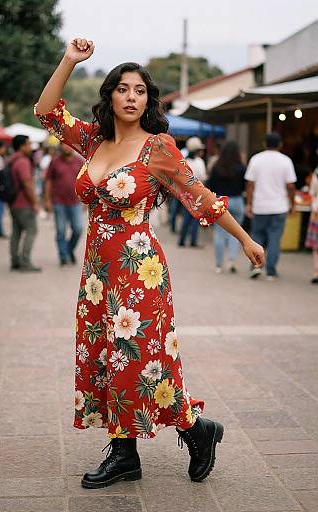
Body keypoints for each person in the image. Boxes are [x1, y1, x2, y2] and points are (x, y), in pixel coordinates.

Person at [35, 37, 264, 490]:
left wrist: (244, 238)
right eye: (123, 89)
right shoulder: (93, 141)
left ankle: (195, 431)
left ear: (148, 99)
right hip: (98, 274)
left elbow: (199, 197)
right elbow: (45, 112)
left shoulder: (158, 147)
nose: (131, 97)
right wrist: (68, 60)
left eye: (140, 90)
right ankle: (125, 454)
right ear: (110, 95)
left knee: (141, 359)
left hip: (140, 271)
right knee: (105, 356)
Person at [245, 133, 297, 280]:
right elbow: (291, 186)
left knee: (257, 237)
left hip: (260, 205)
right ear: (280, 144)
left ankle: (256, 266)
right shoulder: (286, 161)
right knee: (275, 238)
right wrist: (292, 204)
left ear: (264, 144)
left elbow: (249, 184)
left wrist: (249, 203)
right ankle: (271, 271)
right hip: (279, 206)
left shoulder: (256, 159)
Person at [208, 141, 246, 273]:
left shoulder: (217, 166)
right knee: (236, 233)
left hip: (220, 201)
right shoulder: (241, 168)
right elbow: (244, 186)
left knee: (219, 233)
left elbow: (209, 185)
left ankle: (219, 264)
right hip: (237, 200)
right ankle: (232, 261)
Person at [44, 143, 84, 265]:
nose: (67, 148)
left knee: (78, 229)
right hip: (58, 201)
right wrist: (46, 200)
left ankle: (68, 250)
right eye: (65, 145)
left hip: (75, 202)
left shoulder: (79, 162)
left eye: (70, 145)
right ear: (61, 146)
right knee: (61, 230)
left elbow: (85, 181)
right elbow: (48, 181)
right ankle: (63, 256)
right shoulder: (54, 162)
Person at [9, 135, 41, 272]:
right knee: (32, 230)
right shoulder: (22, 161)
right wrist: (35, 202)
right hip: (23, 203)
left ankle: (15, 260)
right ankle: (25, 262)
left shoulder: (11, 159)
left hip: (13, 202)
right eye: (28, 144)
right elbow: (27, 184)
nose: (30, 147)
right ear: (21, 146)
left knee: (16, 232)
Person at [178, 137, 207, 248]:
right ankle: (193, 240)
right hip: (198, 193)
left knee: (186, 217)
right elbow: (203, 178)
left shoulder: (184, 161)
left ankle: (182, 239)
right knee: (195, 218)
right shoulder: (200, 162)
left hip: (185, 192)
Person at [305, 166, 318, 283]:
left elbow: (313, 192)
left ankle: (316, 272)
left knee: (316, 246)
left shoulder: (317, 173)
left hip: (317, 213)